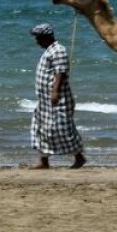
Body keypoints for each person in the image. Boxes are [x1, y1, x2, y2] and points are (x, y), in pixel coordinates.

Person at [29, 22, 84, 168]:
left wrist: (55, 92)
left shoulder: (58, 50)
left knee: (62, 129)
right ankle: (43, 161)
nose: (37, 41)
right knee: (40, 127)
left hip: (58, 99)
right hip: (44, 100)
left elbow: (61, 72)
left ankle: (79, 157)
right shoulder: (49, 50)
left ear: (45, 37)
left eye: (38, 38)